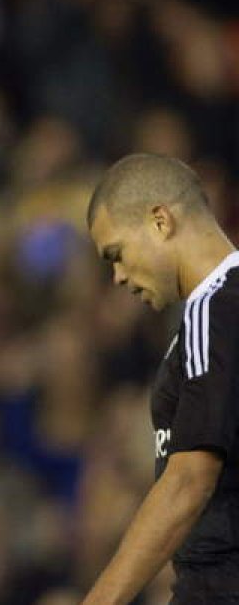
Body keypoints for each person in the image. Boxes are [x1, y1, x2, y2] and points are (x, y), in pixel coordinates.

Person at [85, 152, 239, 604]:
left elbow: (189, 480)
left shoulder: (216, 309)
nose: (116, 276)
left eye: (116, 254)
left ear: (160, 221)